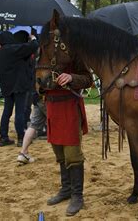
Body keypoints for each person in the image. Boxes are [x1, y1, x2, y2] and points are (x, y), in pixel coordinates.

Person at [45, 61, 92, 216]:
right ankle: (66, 189)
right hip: (52, 108)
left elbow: (88, 79)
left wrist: (71, 78)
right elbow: (36, 81)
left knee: (72, 154)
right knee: (59, 153)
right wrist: (42, 83)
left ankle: (77, 195)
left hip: (69, 106)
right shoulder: (43, 53)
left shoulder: (74, 51)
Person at [0, 31, 38, 147]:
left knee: (6, 112)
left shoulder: (2, 51)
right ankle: (21, 137)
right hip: (18, 86)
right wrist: (33, 38)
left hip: (7, 86)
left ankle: (3, 137)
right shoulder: (12, 49)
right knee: (19, 112)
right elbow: (33, 46)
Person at [16, 99, 46, 164]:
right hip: (51, 99)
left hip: (38, 99)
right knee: (59, 124)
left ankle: (23, 153)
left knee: (33, 126)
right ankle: (65, 153)